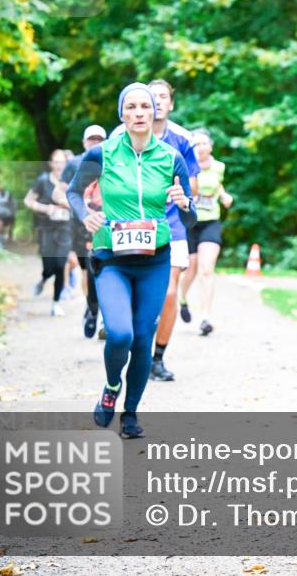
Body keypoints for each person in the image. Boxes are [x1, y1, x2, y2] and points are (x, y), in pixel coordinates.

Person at [67, 83, 196, 438]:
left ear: (156, 112)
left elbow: (190, 219)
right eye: (132, 106)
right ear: (122, 113)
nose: (140, 112)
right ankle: (111, 388)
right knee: (120, 333)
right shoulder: (103, 154)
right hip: (113, 259)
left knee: (142, 338)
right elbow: (74, 192)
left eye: (146, 106)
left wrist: (184, 204)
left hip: (155, 259)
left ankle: (131, 413)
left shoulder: (171, 157)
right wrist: (85, 215)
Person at [112, 79, 199, 381]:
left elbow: (193, 186)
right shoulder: (118, 137)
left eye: (162, 98)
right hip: (129, 225)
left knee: (170, 293)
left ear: (169, 104)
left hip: (171, 226)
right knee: (136, 294)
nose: (157, 103)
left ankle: (157, 358)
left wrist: (177, 194)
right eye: (152, 97)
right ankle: (132, 345)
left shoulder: (182, 140)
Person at [179, 129, 233, 335]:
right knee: (190, 269)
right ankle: (182, 299)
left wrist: (224, 196)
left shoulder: (219, 166)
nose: (200, 147)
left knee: (206, 269)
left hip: (211, 221)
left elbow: (217, 185)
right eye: (196, 143)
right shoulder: (183, 164)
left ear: (210, 146)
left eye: (204, 143)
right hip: (190, 222)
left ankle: (204, 318)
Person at [60, 125, 107, 337]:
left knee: (105, 267)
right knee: (87, 270)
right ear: (84, 142)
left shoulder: (113, 159)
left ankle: (104, 315)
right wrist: (79, 206)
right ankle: (91, 306)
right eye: (91, 139)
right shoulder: (73, 164)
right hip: (80, 223)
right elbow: (61, 192)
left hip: (105, 221)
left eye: (100, 139)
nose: (95, 143)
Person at [24, 150, 73, 316]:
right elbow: (28, 200)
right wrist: (46, 208)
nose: (59, 165)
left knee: (60, 265)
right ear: (51, 164)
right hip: (46, 228)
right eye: (56, 162)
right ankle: (44, 278)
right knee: (49, 266)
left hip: (65, 228)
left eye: (62, 162)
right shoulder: (43, 181)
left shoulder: (71, 181)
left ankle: (55, 303)